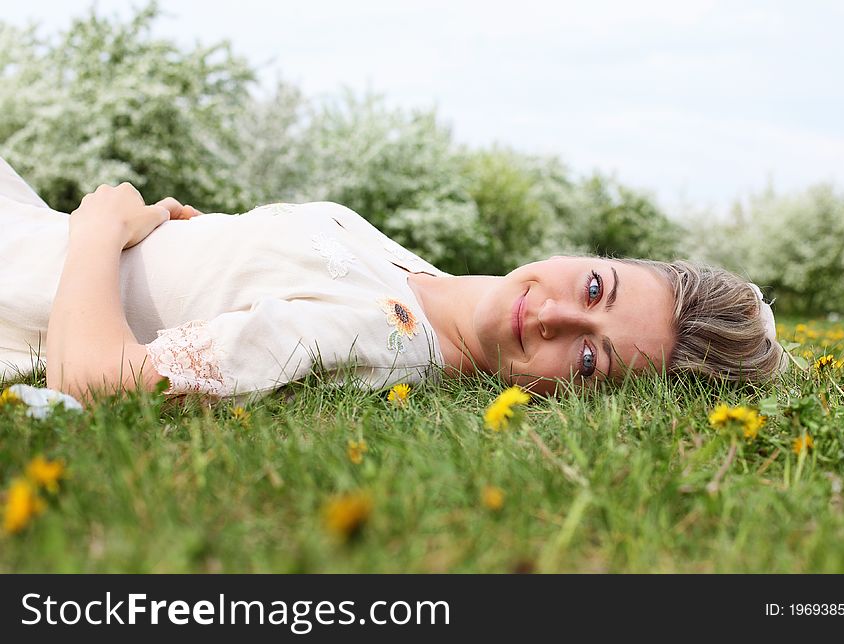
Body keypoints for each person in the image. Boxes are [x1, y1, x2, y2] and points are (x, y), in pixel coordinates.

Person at [0, 158, 786, 405]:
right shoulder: (424, 285)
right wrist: (181, 234)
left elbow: (96, 381)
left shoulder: (380, 339)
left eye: (589, 361)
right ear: (595, 259)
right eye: (592, 291)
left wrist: (99, 233)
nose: (551, 317)